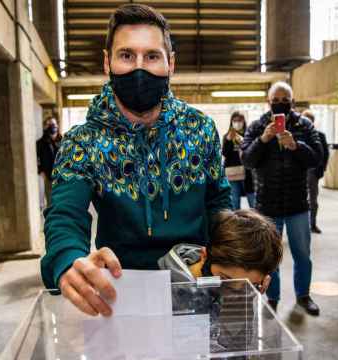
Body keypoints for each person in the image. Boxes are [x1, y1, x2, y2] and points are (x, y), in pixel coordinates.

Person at [41, 4, 231, 317]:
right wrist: (67, 259)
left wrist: (234, 251)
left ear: (170, 64)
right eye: (127, 55)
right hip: (118, 294)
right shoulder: (82, 142)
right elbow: (65, 215)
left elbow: (218, 201)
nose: (139, 68)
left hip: (195, 284)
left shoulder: (200, 128)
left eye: (152, 56)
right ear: (107, 62)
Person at [241, 81, 323, 316]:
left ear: (293, 102)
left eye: (284, 100)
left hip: (298, 203)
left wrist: (296, 146)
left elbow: (317, 157)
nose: (279, 104)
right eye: (275, 100)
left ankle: (303, 296)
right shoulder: (258, 126)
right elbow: (247, 159)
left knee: (302, 255)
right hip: (268, 204)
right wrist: (263, 139)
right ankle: (272, 297)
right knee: (270, 258)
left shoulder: (304, 126)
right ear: (268, 102)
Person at [158, 208, 281, 291]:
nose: (234, 295)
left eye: (247, 286)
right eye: (224, 279)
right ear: (204, 256)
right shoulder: (166, 288)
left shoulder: (250, 280)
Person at [302, 109, 329, 234]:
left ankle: (312, 224)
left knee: (313, 200)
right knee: (298, 199)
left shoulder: (319, 135)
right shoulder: (296, 135)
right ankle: (300, 225)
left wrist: (322, 168)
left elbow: (325, 154)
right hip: (299, 171)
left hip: (313, 171)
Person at [222, 112, 254, 209]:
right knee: (234, 201)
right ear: (231, 122)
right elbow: (224, 153)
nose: (237, 123)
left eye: (240, 120)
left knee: (252, 199)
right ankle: (236, 223)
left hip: (248, 173)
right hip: (232, 173)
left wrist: (243, 141)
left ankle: (257, 222)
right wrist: (228, 140)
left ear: (244, 122)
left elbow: (252, 152)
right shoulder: (227, 136)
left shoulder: (249, 135)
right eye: (235, 121)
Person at [37, 117, 62, 208]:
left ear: (57, 126)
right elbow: (36, 158)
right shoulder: (40, 143)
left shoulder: (64, 141)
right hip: (49, 177)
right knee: (51, 204)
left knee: (64, 202)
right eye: (50, 124)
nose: (52, 127)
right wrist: (40, 171)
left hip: (63, 177)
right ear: (46, 127)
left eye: (54, 124)